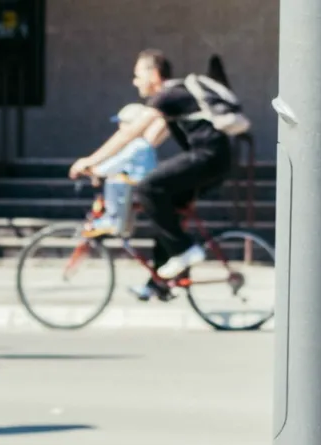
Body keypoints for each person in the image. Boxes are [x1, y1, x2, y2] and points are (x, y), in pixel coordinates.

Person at [69, 49, 236, 300]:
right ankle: (161, 282)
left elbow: (129, 134)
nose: (134, 82)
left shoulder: (168, 95)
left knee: (147, 189)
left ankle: (185, 250)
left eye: (138, 75)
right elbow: (146, 142)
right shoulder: (173, 101)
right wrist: (107, 167)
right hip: (214, 160)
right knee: (166, 212)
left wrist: (91, 160)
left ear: (154, 74)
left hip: (207, 157)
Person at [82, 103, 164, 238]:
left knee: (116, 182)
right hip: (138, 184)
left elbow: (118, 162)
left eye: (122, 123)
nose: (119, 127)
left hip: (138, 186)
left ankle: (113, 219)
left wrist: (96, 170)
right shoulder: (141, 144)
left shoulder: (138, 145)